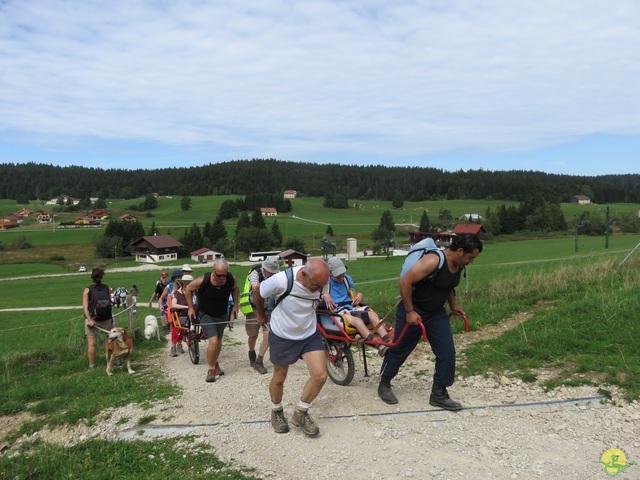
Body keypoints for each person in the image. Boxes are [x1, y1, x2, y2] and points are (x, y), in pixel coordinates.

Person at [378, 233, 483, 410]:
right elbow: (405, 282)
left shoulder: (457, 265)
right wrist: (410, 311)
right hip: (413, 311)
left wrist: (453, 305)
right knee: (400, 349)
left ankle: (438, 394)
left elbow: (447, 286)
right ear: (459, 251)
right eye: (471, 257)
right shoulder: (434, 261)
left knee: (447, 352)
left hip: (435, 313)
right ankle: (384, 383)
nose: (472, 261)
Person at [258, 258, 330, 437]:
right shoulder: (282, 280)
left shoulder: (321, 281)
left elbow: (321, 292)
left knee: (320, 376)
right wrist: (260, 314)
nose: (318, 290)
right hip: (283, 334)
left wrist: (323, 292)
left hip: (308, 333)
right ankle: (276, 411)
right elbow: (258, 291)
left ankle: (301, 412)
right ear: (304, 275)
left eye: (321, 286)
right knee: (280, 378)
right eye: (315, 286)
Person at [322, 257, 390, 356]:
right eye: (338, 276)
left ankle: (387, 340)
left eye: (342, 274)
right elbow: (317, 297)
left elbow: (352, 292)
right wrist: (325, 295)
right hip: (336, 310)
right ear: (330, 274)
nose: (341, 278)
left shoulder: (347, 279)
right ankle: (378, 346)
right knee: (357, 321)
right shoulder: (325, 283)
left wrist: (359, 294)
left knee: (372, 315)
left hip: (350, 306)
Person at [186, 258, 239, 383]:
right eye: (219, 275)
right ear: (213, 271)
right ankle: (210, 370)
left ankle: (215, 364)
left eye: (224, 275)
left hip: (221, 313)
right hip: (206, 314)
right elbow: (188, 289)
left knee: (219, 341)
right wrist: (190, 308)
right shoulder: (203, 280)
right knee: (214, 341)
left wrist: (236, 306)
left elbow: (235, 289)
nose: (222, 278)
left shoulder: (231, 279)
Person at [240, 256, 280, 375]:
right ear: (264, 268)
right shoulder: (255, 274)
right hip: (254, 309)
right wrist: (260, 314)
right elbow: (256, 290)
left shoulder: (277, 275)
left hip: (269, 309)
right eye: (270, 272)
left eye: (274, 272)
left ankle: (259, 361)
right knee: (253, 335)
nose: (272, 275)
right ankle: (251, 351)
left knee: (268, 336)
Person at [82, 267, 113, 370]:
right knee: (112, 340)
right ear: (102, 276)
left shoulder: (87, 290)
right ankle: (116, 360)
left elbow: (85, 307)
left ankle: (92, 366)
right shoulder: (107, 288)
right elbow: (110, 303)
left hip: (92, 321)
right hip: (107, 319)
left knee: (92, 344)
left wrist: (90, 320)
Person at [168, 274, 194, 357]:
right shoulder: (177, 293)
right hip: (180, 314)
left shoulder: (193, 293)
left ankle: (181, 345)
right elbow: (174, 305)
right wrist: (188, 306)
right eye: (186, 284)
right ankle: (173, 347)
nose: (187, 286)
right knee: (177, 330)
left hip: (190, 314)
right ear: (183, 284)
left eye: (189, 284)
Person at [159, 270, 183, 344]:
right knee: (174, 328)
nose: (179, 279)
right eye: (177, 277)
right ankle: (173, 345)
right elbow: (161, 298)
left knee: (181, 327)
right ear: (174, 278)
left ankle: (179, 344)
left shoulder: (184, 286)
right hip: (172, 310)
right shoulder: (169, 286)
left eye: (180, 277)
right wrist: (161, 305)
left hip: (182, 309)